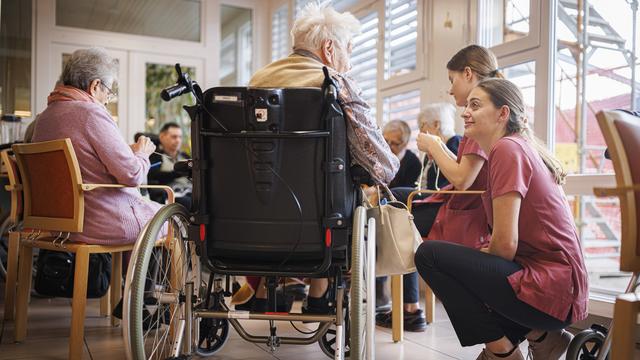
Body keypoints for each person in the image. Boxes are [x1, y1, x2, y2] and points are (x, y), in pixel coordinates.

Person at [242, 3, 399, 314]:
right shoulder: (336, 84)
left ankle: (268, 288)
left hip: (249, 223)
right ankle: (319, 296)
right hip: (319, 224)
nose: (349, 62)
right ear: (329, 48)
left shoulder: (255, 83)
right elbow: (383, 164)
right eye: (349, 51)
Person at [415, 79, 588, 360]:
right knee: (468, 263)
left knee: (429, 256)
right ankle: (543, 337)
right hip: (561, 287)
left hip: (554, 290)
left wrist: (478, 259)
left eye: (475, 105)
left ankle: (502, 352)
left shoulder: (508, 150)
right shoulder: (516, 147)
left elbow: (505, 245)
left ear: (503, 113)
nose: (464, 112)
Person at [31, 47, 160, 246]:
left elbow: (83, 159)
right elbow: (132, 175)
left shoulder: (44, 118)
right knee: (173, 219)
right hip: (99, 223)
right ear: (95, 86)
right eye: (109, 91)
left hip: (59, 225)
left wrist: (127, 151)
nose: (108, 100)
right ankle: (139, 279)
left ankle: (123, 277)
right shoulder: (91, 113)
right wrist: (142, 154)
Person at [376, 104, 462, 332]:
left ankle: (409, 309)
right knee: (396, 213)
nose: (422, 132)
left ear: (436, 124)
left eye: (424, 126)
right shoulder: (436, 152)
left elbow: (447, 189)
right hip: (437, 207)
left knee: (396, 222)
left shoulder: (453, 144)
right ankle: (409, 308)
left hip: (446, 212)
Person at [415, 44, 502, 250]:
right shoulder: (481, 118)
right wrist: (436, 145)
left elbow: (463, 179)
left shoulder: (481, 121)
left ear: (468, 74)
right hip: (469, 207)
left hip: (471, 213)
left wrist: (434, 146)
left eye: (452, 80)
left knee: (396, 211)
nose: (450, 89)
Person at [147, 122, 192, 209]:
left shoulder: (185, 156)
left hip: (190, 191)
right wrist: (179, 172)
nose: (178, 140)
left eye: (180, 137)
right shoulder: (155, 156)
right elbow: (153, 176)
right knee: (191, 203)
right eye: (174, 137)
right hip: (172, 193)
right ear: (162, 137)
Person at [383, 120, 421, 189]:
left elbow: (404, 193)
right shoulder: (379, 155)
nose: (387, 146)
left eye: (394, 143)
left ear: (405, 143)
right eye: (385, 141)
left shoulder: (413, 163)